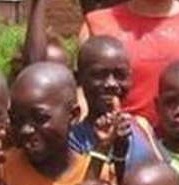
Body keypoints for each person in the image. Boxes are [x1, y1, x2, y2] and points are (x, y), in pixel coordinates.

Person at [1, 62, 106, 185]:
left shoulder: (100, 174)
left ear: (73, 115)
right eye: (17, 119)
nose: (26, 130)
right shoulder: (4, 168)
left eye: (40, 118)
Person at [68, 35, 167, 171]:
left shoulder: (141, 126)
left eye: (120, 75)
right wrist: (104, 146)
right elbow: (84, 183)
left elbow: (165, 175)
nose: (111, 84)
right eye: (100, 75)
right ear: (79, 79)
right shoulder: (73, 140)